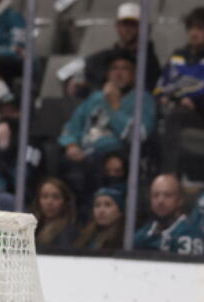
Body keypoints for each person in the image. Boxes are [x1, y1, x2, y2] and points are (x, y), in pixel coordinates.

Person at [59, 49, 155, 199]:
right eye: (114, 68)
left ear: (135, 74)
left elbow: (139, 136)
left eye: (125, 69)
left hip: (118, 157)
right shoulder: (96, 98)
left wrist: (114, 107)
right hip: (85, 156)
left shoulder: (143, 99)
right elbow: (71, 127)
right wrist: (72, 145)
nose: (118, 73)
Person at [154, 7, 204, 131]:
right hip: (171, 108)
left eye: (200, 28)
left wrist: (197, 103)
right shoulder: (177, 56)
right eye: (191, 28)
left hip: (202, 116)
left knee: (177, 117)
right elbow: (160, 86)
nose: (193, 33)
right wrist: (161, 97)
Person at [84, 2, 160, 93]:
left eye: (133, 24)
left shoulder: (148, 60)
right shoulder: (103, 57)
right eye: (124, 24)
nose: (128, 29)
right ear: (117, 26)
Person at [133, 173, 204, 255]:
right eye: (155, 195)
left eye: (167, 195)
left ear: (180, 200)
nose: (160, 201)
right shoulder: (141, 235)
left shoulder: (190, 234)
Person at [31, 177, 80, 250]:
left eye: (56, 197)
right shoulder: (32, 227)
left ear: (65, 202)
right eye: (45, 196)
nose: (49, 202)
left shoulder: (68, 232)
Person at [73, 188, 124, 252]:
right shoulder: (86, 234)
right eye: (97, 205)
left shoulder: (124, 238)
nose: (101, 211)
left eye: (108, 205)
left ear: (120, 212)